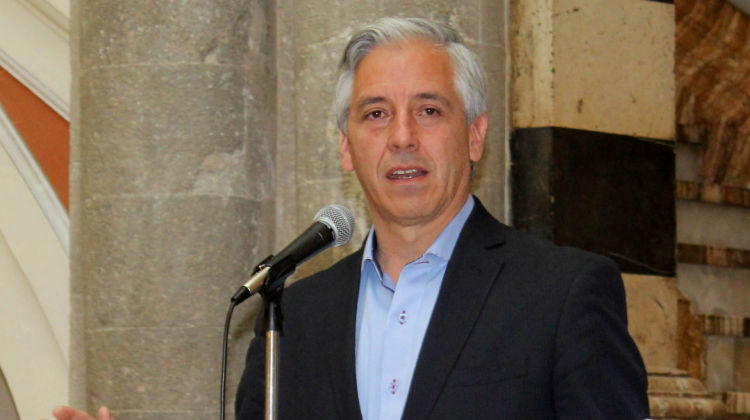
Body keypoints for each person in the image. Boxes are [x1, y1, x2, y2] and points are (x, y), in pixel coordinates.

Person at [49, 17, 649, 420]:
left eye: (430, 110)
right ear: (345, 147)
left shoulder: (563, 294)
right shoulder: (291, 318)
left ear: (474, 135)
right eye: (376, 114)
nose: (403, 138)